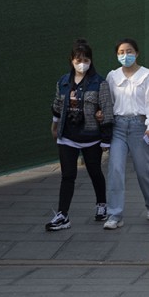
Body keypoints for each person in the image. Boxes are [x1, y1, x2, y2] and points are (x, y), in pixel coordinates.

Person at [46, 39, 114, 231]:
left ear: (91, 60)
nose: (82, 62)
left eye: (85, 59)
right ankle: (62, 215)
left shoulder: (99, 83)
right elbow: (57, 105)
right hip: (67, 136)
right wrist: (54, 125)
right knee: (68, 175)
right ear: (71, 60)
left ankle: (102, 205)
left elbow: (107, 111)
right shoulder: (63, 81)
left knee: (94, 171)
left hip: (91, 136)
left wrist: (106, 140)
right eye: (78, 59)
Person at [103, 38, 149, 231]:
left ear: (136, 53)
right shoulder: (112, 76)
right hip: (118, 127)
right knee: (115, 169)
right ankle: (114, 214)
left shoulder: (148, 75)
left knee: (144, 169)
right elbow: (108, 102)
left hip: (139, 126)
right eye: (120, 52)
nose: (125, 55)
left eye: (128, 51)